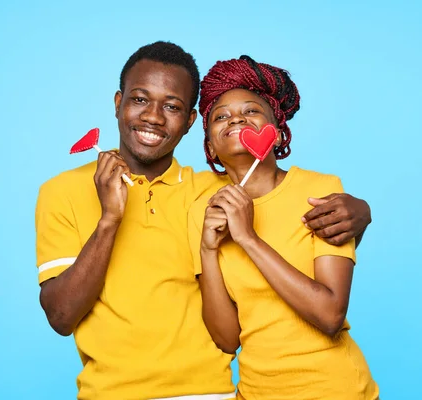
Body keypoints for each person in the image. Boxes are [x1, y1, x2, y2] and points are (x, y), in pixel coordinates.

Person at [35, 41, 372, 400]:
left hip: (215, 394)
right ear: (118, 103)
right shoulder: (62, 191)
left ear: (191, 122)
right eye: (139, 99)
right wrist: (109, 219)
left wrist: (360, 212)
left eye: (172, 106)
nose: (153, 116)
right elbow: (61, 316)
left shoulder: (211, 194)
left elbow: (281, 200)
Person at [189, 55, 379, 400]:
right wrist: (207, 249)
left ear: (276, 135)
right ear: (211, 145)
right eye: (221, 116)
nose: (235, 118)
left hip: (335, 389)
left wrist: (247, 238)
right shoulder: (202, 210)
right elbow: (227, 340)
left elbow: (330, 314)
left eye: (251, 111)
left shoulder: (319, 191)